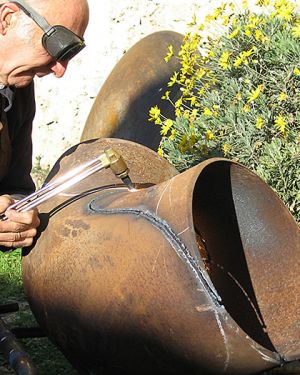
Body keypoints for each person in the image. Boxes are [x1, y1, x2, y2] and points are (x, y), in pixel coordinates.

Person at [0, 0, 89, 249]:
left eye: (70, 53)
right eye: (57, 44)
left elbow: (16, 186)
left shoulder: (17, 92)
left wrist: (19, 217)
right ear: (7, 19)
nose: (59, 70)